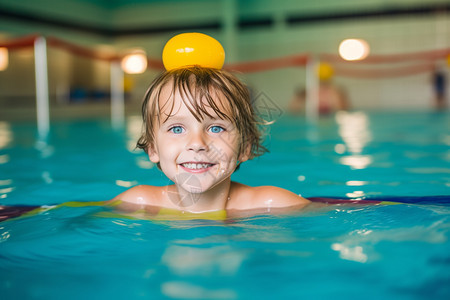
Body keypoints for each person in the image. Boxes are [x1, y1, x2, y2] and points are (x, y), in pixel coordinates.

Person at [112, 33, 310, 218]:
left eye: (216, 128)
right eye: (177, 129)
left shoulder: (273, 204)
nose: (197, 143)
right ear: (153, 148)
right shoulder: (138, 203)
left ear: (245, 146)